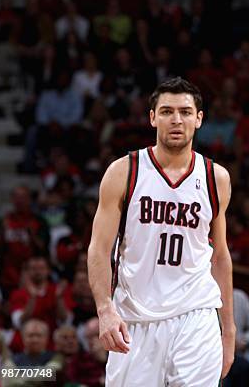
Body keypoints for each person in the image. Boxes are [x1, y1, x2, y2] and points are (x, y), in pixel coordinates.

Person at [87, 77, 235, 386]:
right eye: (167, 111)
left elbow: (219, 256)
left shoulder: (215, 177)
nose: (176, 119)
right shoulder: (123, 171)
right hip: (136, 319)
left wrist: (228, 329)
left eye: (184, 111)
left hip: (197, 316)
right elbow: (99, 249)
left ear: (199, 118)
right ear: (153, 117)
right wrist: (104, 310)